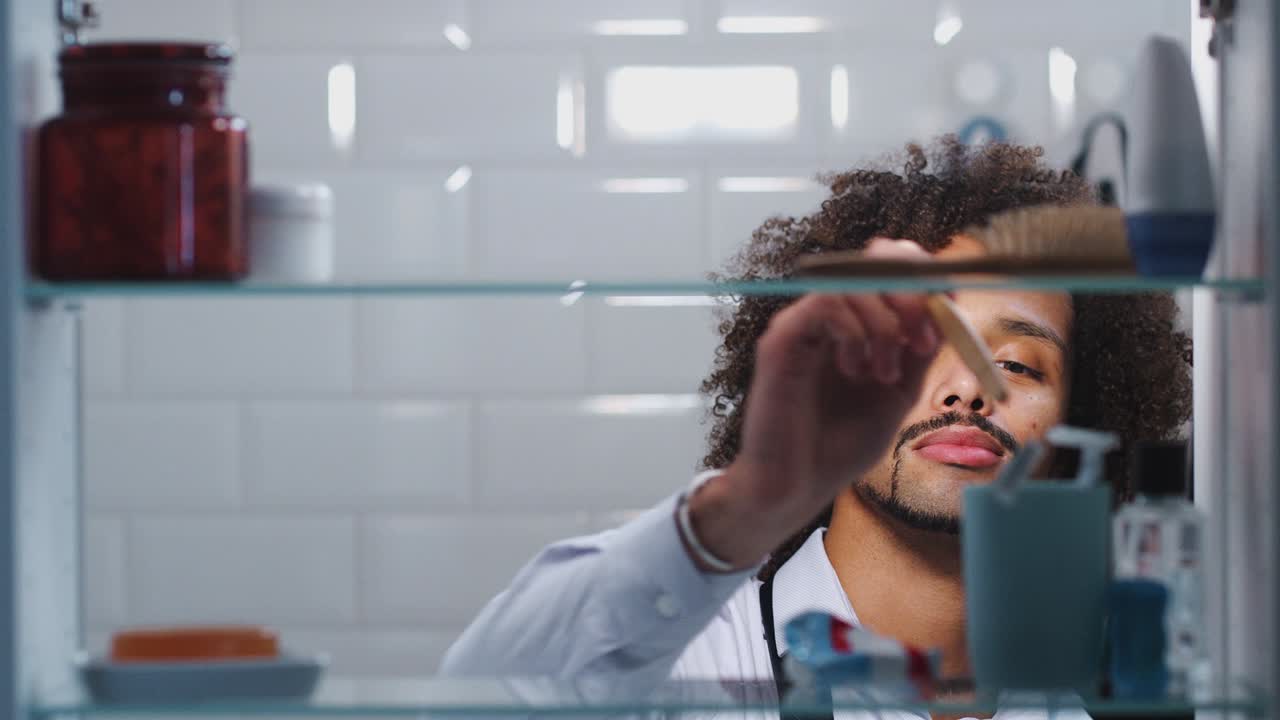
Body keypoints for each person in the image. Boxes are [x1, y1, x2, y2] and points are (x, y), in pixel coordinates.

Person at [439, 137, 1193, 716]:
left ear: (1083, 430)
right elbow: (473, 701)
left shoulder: (1078, 702)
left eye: (1021, 366)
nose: (967, 390)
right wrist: (752, 501)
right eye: (922, 348)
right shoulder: (694, 664)